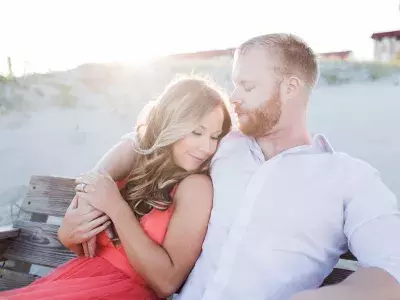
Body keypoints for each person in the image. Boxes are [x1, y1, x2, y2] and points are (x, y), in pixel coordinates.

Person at [173, 34, 400, 300]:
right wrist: (108, 181)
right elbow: (149, 139)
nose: (233, 97)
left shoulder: (349, 179)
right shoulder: (219, 142)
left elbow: (392, 267)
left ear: (290, 87)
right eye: (235, 85)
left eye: (247, 87)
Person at [0, 76, 232, 300]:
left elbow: (166, 283)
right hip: (77, 280)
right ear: (170, 123)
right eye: (197, 132)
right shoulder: (137, 166)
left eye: (215, 136)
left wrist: (116, 207)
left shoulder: (196, 187)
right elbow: (87, 247)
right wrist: (68, 235)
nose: (207, 148)